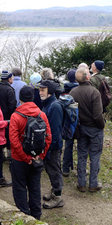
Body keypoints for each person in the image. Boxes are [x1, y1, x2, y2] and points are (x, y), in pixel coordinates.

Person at [9, 86, 51, 220]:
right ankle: (36, 216)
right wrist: (40, 156)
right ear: (33, 98)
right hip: (36, 158)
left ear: (20, 99)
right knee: (35, 187)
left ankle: (24, 216)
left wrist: (25, 158)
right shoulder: (41, 114)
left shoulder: (16, 116)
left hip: (19, 160)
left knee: (20, 187)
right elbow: (49, 137)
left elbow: (14, 141)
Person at [69, 64, 105, 193]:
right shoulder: (94, 92)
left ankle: (81, 183)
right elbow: (97, 115)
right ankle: (93, 184)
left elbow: (72, 113)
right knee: (95, 155)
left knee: (82, 155)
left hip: (80, 128)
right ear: (88, 77)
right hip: (94, 128)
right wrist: (102, 125)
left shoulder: (73, 92)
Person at [38, 80, 65, 209]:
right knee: (50, 169)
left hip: (53, 146)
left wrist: (49, 148)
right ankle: (54, 192)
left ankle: (58, 197)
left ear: (50, 91)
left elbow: (55, 130)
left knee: (54, 170)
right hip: (48, 145)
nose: (40, 92)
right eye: (39, 89)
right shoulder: (47, 104)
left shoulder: (55, 106)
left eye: (43, 90)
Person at [62, 69, 79, 176]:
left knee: (68, 144)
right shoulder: (78, 88)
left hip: (67, 119)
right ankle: (77, 169)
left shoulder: (64, 88)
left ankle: (65, 168)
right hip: (77, 118)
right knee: (81, 146)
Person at [0, 70, 17, 161]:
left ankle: (1, 155)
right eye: (12, 77)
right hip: (8, 117)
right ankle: (9, 155)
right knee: (9, 136)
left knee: (0, 135)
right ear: (9, 79)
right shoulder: (9, 89)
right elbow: (12, 105)